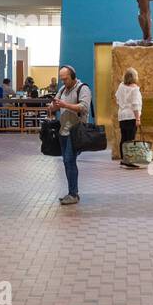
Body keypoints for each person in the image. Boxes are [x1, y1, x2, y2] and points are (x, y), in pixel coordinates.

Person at [50, 65, 92, 205]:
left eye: (66, 79)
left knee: (69, 160)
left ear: (73, 76)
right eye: (61, 79)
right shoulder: (62, 89)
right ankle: (71, 192)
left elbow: (84, 107)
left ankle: (73, 194)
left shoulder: (83, 88)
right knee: (67, 162)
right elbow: (55, 105)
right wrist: (53, 106)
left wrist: (65, 105)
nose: (63, 82)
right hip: (63, 130)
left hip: (75, 131)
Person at [114, 68, 143, 169]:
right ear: (134, 77)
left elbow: (117, 98)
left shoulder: (121, 86)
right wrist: (138, 119)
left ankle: (123, 160)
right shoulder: (134, 89)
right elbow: (135, 105)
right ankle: (129, 161)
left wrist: (123, 105)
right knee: (130, 139)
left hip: (122, 116)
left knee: (124, 138)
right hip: (131, 116)